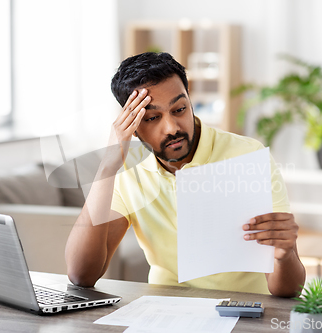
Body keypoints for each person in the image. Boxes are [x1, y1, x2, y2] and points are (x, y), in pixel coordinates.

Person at [65, 52, 305, 297]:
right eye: (152, 118)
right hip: (165, 310)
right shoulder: (129, 171)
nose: (172, 128)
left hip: (243, 310)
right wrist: (107, 167)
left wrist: (285, 256)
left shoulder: (247, 156)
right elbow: (81, 275)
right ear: (133, 127)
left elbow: (288, 291)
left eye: (180, 109)